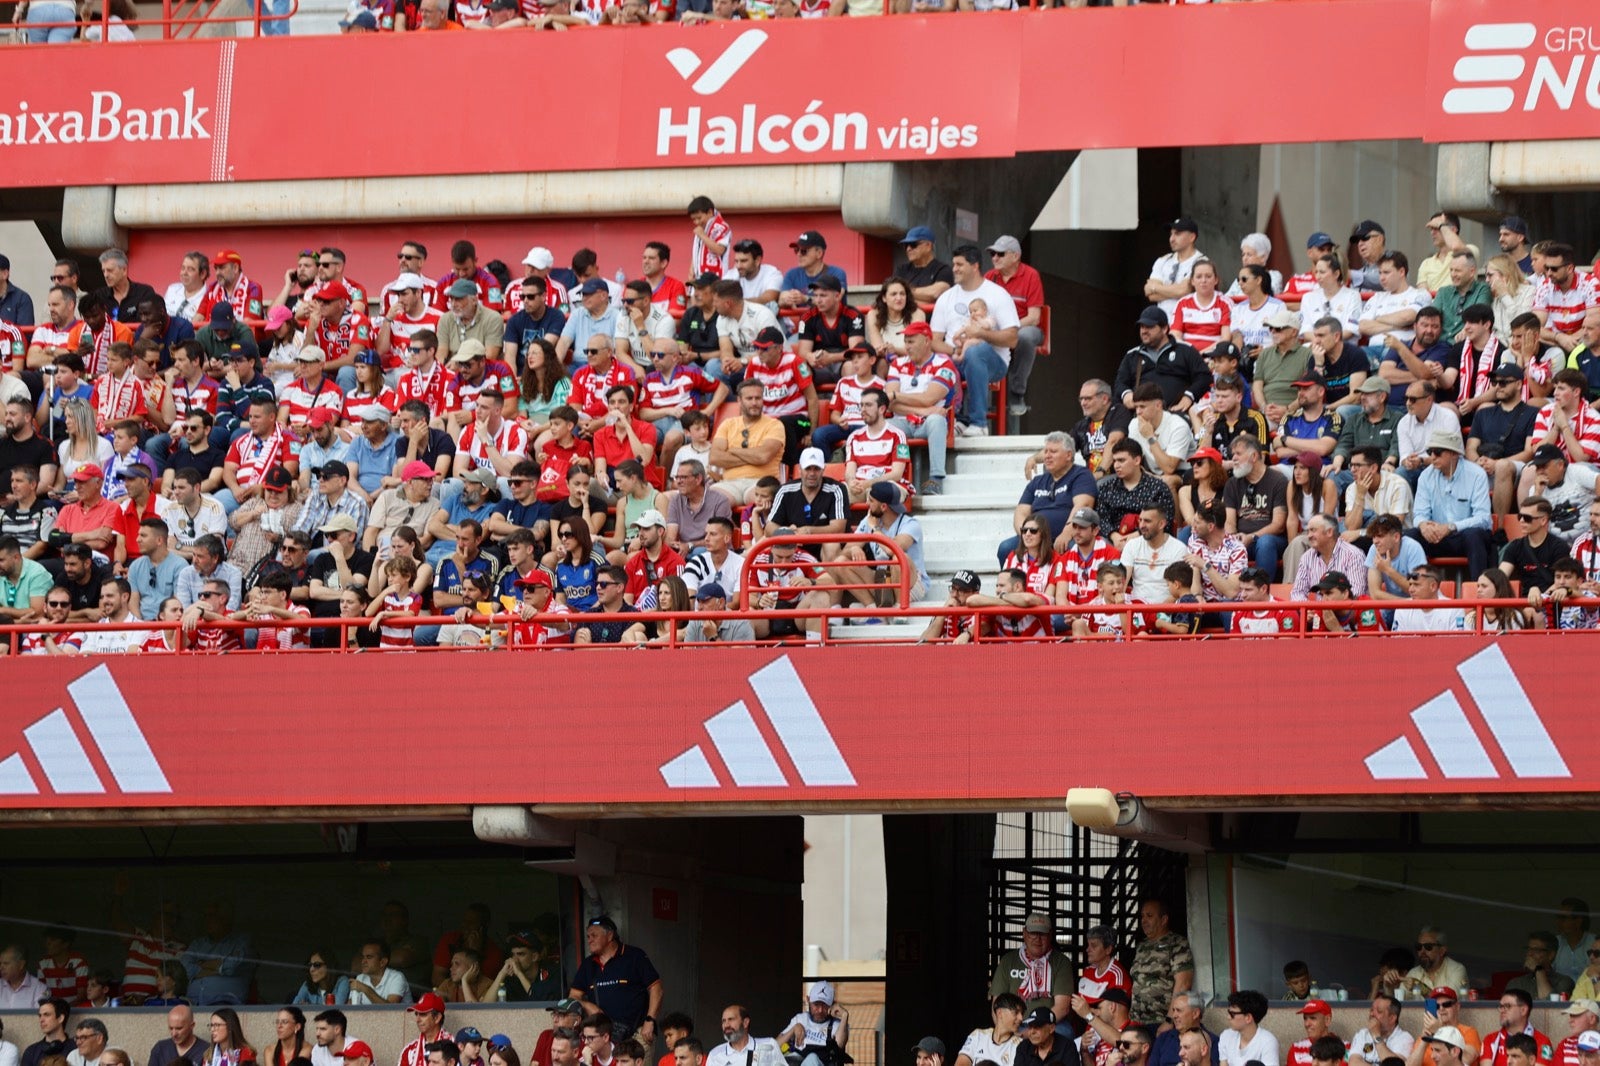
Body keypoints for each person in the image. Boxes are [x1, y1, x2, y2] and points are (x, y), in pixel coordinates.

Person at [931, 245, 1020, 436]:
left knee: (974, 353)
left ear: (975, 266)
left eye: (959, 264)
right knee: (937, 362)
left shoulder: (997, 294)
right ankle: (953, 421)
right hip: (955, 357)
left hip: (992, 361)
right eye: (953, 264)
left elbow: (1012, 339)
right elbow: (935, 340)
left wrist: (980, 334)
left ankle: (979, 424)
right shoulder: (946, 298)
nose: (954, 269)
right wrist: (954, 351)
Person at [1409, 427, 1495, 577]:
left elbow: (1483, 518)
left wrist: (1450, 527)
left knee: (1474, 535)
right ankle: (1414, 588)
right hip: (1436, 536)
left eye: (1438, 452)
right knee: (1411, 535)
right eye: (1430, 452)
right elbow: (1419, 514)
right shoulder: (1425, 476)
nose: (1433, 457)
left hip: (1463, 535)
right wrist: (1424, 526)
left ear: (1454, 454)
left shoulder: (1476, 474)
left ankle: (1480, 592)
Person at [569, 917, 662, 1043]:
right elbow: (573, 997)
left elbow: (656, 988)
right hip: (603, 1037)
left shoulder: (634, 956)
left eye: (594, 935)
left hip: (637, 1034)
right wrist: (588, 1005)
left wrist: (650, 1020)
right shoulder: (587, 965)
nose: (589, 940)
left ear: (610, 935)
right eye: (588, 936)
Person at [1114, 308, 1208, 417]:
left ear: (1164, 328)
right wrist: (1126, 394)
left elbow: (1204, 377)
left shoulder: (1185, 350)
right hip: (1142, 417)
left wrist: (1188, 397)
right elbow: (1120, 383)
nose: (1144, 331)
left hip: (1176, 415)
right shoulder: (1133, 355)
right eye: (1142, 327)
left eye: (1149, 327)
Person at [1129, 900, 1193, 1027]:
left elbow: (1183, 983)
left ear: (1163, 920)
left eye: (1150, 916)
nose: (1144, 920)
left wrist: (1170, 1020)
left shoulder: (1176, 943)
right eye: (1142, 916)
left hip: (1160, 1021)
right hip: (1137, 1022)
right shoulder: (1141, 946)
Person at [778, 982, 849, 1066]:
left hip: (819, 1063)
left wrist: (845, 1016)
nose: (820, 1010)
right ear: (808, 1000)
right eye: (816, 1005)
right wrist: (793, 1029)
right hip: (795, 1062)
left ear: (832, 1005)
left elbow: (839, 1045)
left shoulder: (837, 1025)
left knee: (812, 1058)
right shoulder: (800, 1019)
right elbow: (775, 1045)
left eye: (825, 1006)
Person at [955, 994, 1025, 1066]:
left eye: (1022, 1013)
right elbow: (961, 1063)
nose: (1021, 1018)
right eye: (1016, 1013)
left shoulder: (1021, 1045)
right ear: (999, 1013)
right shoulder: (978, 1035)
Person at [1218, 991, 1279, 1066]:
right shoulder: (1226, 1036)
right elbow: (1223, 1064)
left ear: (1248, 1018)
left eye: (1232, 1014)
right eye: (1228, 1012)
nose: (1228, 1017)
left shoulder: (1268, 1041)